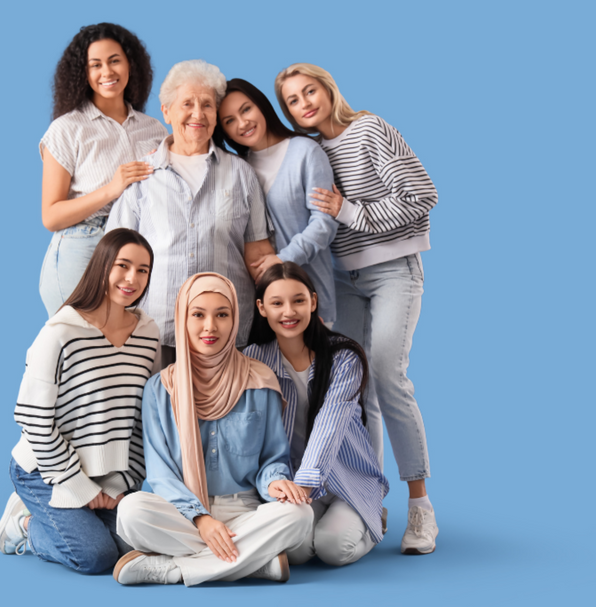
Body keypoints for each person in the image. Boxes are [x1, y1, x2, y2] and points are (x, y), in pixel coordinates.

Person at [276, 63, 440, 554]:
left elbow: (423, 196)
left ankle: (420, 507)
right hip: (344, 280)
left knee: (388, 377)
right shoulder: (311, 152)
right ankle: (370, 499)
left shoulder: (369, 129)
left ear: (328, 90)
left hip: (394, 270)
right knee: (351, 385)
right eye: (292, 100)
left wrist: (349, 211)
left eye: (310, 91)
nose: (304, 103)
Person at [112, 273, 314, 586]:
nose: (210, 327)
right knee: (130, 511)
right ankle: (253, 563)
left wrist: (276, 483)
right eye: (198, 314)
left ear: (235, 319)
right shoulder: (160, 388)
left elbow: (273, 458)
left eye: (222, 314)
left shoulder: (259, 380)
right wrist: (201, 518)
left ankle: (173, 570)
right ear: (182, 318)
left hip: (245, 509)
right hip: (182, 511)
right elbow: (161, 473)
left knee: (300, 515)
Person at [0, 229, 162, 574]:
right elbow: (33, 420)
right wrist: (81, 490)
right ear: (102, 266)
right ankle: (24, 525)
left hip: (107, 474)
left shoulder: (148, 334)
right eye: (123, 265)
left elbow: (139, 418)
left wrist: (120, 486)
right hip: (44, 468)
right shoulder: (60, 331)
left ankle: (63, 518)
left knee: (137, 545)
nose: (132, 278)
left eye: (143, 270)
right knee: (96, 557)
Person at [106, 61, 276, 366]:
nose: (198, 114)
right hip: (156, 332)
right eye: (187, 103)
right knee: (159, 414)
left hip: (227, 335)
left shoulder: (241, 174)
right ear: (167, 111)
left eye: (207, 105)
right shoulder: (141, 176)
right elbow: (113, 261)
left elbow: (258, 256)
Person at [244, 262, 388, 566]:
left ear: (313, 300)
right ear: (261, 308)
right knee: (295, 553)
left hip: (346, 479)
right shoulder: (253, 359)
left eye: (298, 300)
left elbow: (329, 426)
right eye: (277, 303)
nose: (289, 312)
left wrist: (304, 487)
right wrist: (282, 486)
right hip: (293, 480)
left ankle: (374, 518)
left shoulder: (344, 358)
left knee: (333, 548)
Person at [37, 23, 169, 317]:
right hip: (83, 248)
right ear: (82, 73)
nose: (107, 72)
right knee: (82, 352)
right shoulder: (67, 129)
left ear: (130, 64)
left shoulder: (154, 130)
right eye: (95, 65)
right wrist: (112, 188)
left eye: (114, 60)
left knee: (126, 353)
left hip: (136, 251)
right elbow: (51, 215)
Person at [214, 78, 339, 327]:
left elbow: (324, 223)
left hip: (309, 298)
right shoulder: (236, 169)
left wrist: (283, 259)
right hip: (260, 308)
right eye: (229, 121)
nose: (243, 123)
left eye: (246, 109)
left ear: (261, 106)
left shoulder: (305, 152)